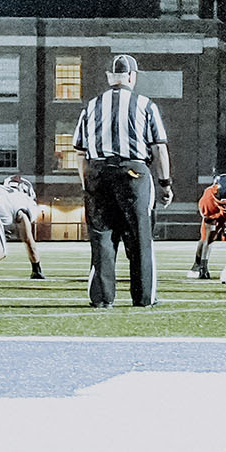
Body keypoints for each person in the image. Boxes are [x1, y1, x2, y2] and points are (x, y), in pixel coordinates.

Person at [74, 54, 171, 308]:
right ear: (132, 77)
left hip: (97, 172)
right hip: (133, 172)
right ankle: (143, 297)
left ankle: (103, 298)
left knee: (102, 237)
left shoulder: (91, 106)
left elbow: (80, 153)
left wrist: (88, 184)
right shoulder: (145, 105)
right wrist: (165, 183)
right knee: (140, 238)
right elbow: (159, 148)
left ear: (109, 78)